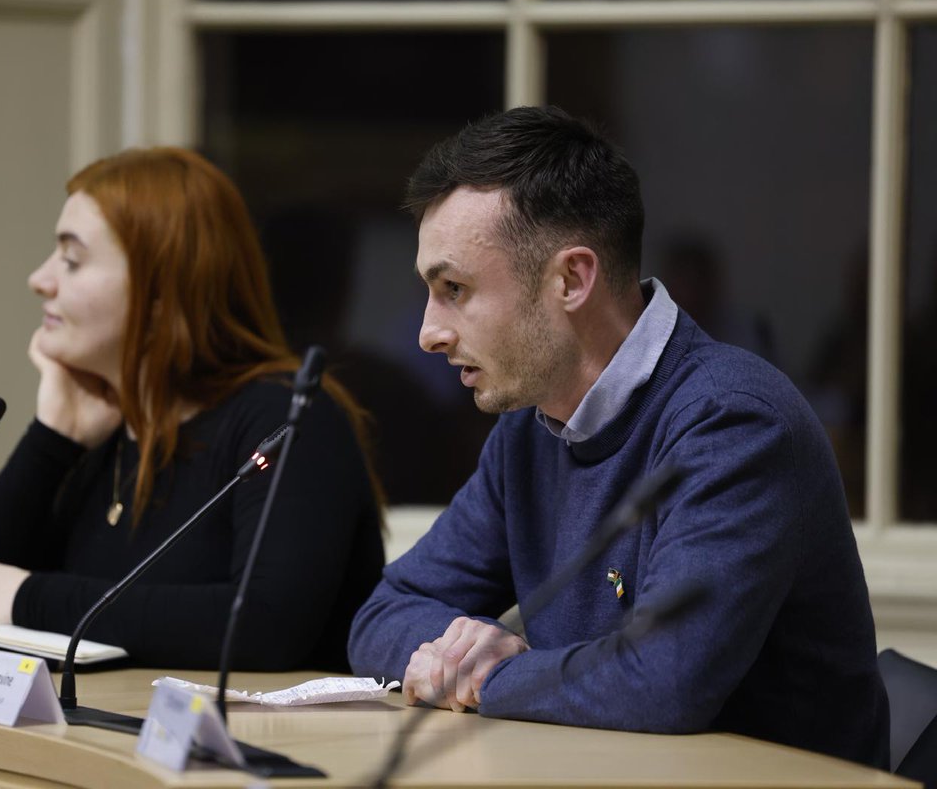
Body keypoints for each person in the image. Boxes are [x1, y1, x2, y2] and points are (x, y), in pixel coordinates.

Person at [346, 106, 889, 767]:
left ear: (572, 279)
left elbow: (664, 682)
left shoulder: (735, 423)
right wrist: (466, 648)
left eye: (454, 288)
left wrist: (490, 673)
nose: (429, 333)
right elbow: (383, 612)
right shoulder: (528, 430)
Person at [0, 147, 385, 672]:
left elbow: (263, 625)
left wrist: (28, 599)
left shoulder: (286, 419)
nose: (40, 279)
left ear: (163, 290)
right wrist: (53, 440)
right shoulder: (110, 436)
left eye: (71, 260)